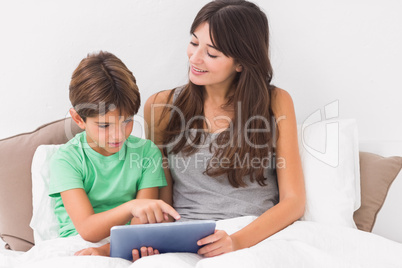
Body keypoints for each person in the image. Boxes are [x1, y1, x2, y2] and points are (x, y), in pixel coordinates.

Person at [144, 0, 305, 258]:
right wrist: (152, 238)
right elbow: (162, 199)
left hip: (254, 235)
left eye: (212, 53)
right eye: (194, 43)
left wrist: (237, 241)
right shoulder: (161, 106)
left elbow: (293, 201)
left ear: (240, 63)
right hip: (188, 236)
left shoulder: (276, 102)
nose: (195, 59)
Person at [48, 51, 180, 259]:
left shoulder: (146, 153)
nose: (118, 135)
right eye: (104, 125)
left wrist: (112, 249)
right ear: (78, 119)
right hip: (79, 244)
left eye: (127, 122)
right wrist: (132, 207)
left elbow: (143, 222)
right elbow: (88, 230)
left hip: (133, 239)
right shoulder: (67, 159)